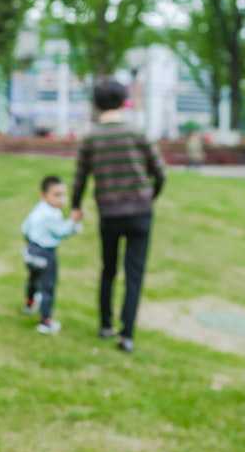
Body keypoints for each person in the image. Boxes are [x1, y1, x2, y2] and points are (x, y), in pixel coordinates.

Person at [72, 78, 165, 353]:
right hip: (140, 211)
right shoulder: (137, 133)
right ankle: (127, 335)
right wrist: (150, 195)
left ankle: (104, 324)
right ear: (124, 101)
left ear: (97, 103)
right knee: (134, 274)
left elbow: (80, 178)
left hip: (109, 213)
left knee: (108, 269)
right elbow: (160, 173)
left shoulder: (91, 137)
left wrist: (76, 205)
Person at [21, 175, 82, 335]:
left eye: (63, 194)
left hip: (30, 252)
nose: (61, 199)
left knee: (33, 280)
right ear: (44, 195)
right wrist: (74, 223)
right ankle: (46, 321)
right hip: (46, 255)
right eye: (57, 195)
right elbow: (61, 232)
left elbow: (25, 228)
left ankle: (29, 303)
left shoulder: (38, 208)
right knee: (48, 287)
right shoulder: (52, 214)